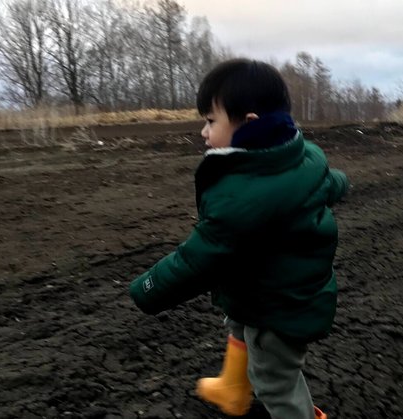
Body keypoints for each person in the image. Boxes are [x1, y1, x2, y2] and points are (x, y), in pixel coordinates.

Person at [129, 58, 348, 419]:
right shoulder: (298, 156)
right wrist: (340, 184)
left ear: (249, 125)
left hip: (280, 307)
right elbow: (327, 181)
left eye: (211, 121)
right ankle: (233, 387)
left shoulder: (243, 197)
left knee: (276, 381)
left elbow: (199, 257)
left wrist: (148, 288)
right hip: (266, 289)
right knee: (239, 322)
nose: (203, 131)